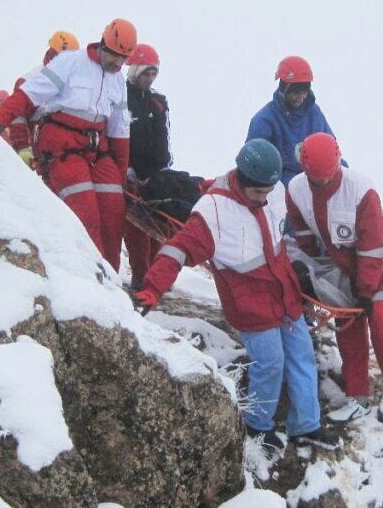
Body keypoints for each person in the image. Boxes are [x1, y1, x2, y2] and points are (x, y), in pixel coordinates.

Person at [133, 139, 341, 452]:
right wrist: (151, 288)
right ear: (242, 180)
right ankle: (258, 425)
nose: (265, 198)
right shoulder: (213, 211)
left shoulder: (274, 192)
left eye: (269, 190)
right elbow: (178, 249)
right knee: (269, 363)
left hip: (284, 293)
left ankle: (306, 425)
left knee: (302, 354)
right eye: (259, 192)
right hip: (249, 302)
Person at [0, 19, 134, 271]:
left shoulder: (118, 80)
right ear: (103, 45)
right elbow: (27, 96)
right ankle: (91, 278)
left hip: (97, 149)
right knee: (85, 214)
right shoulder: (70, 63)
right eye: (115, 56)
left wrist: (120, 176)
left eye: (124, 58)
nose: (119, 64)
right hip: (63, 144)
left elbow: (119, 129)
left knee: (114, 214)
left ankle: (111, 279)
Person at [286, 133, 383, 422]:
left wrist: (366, 290)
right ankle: (357, 394)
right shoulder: (296, 189)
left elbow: (372, 246)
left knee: (381, 314)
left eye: (329, 178)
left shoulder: (361, 190)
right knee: (347, 318)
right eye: (318, 180)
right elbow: (303, 234)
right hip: (339, 256)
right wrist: (313, 273)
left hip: (378, 253)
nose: (324, 184)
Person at [247, 56, 337, 186]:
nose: (301, 98)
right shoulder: (263, 120)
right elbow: (255, 164)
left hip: (315, 173)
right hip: (281, 182)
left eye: (304, 93)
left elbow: (332, 147)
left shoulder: (314, 112)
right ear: (283, 89)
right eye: (295, 93)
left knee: (343, 170)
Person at [124, 43, 171, 290]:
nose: (149, 78)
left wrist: (164, 168)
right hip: (130, 175)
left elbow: (164, 137)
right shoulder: (120, 97)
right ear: (134, 71)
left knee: (158, 227)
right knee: (136, 231)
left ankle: (157, 277)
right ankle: (141, 277)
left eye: (153, 73)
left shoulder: (158, 102)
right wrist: (127, 169)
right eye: (145, 73)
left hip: (155, 175)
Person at [3, 31, 83, 167]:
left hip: (72, 150)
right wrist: (22, 146)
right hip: (40, 151)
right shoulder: (29, 80)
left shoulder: (77, 82)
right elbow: (18, 116)